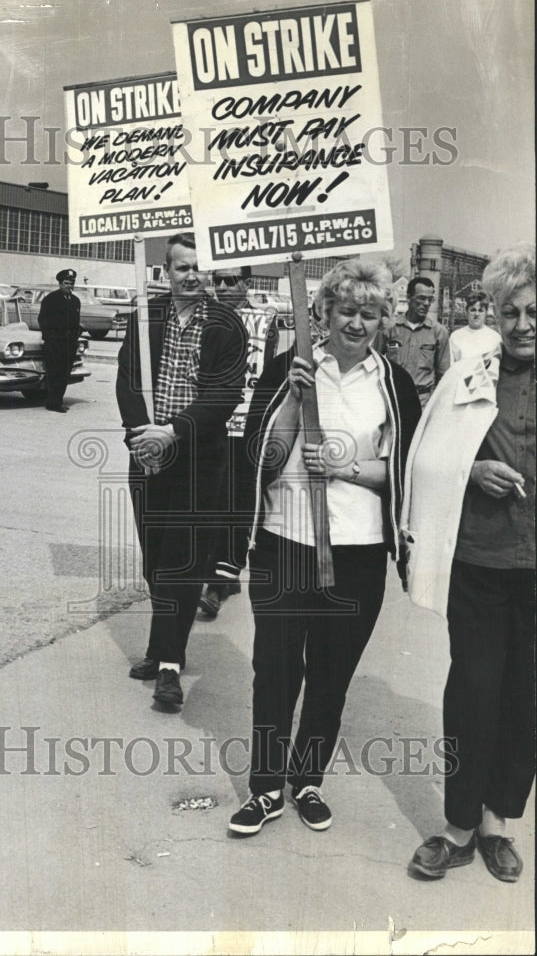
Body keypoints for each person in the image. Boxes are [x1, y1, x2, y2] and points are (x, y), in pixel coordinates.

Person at [228, 258, 420, 836]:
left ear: (384, 319)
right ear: (324, 313)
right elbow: (257, 457)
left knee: (331, 673)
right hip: (286, 540)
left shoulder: (394, 383)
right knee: (275, 668)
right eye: (345, 311)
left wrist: (348, 466)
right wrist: (292, 397)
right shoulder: (291, 366)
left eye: (368, 313)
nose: (356, 323)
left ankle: (306, 780)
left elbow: (408, 473)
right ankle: (265, 789)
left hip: (357, 551)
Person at [404, 244, 535, 883]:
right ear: (495, 315)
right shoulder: (469, 375)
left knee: (527, 696)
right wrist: (472, 469)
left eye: (533, 311)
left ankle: (498, 824)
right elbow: (430, 456)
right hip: (480, 563)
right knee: (474, 690)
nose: (522, 324)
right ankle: (458, 826)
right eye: (509, 312)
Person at [116, 233, 247, 708]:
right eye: (181, 268)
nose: (191, 276)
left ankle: (170, 665)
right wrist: (141, 435)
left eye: (198, 267)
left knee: (184, 564)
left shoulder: (226, 324)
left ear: (208, 272)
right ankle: (159, 646)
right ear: (164, 272)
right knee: (155, 559)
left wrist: (172, 432)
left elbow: (224, 395)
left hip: (197, 457)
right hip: (148, 456)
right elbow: (128, 381)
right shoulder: (144, 318)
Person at [199, 266, 280, 618]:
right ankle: (211, 572)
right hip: (207, 422)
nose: (221, 287)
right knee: (207, 501)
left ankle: (221, 579)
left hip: (245, 422)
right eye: (216, 280)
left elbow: (270, 371)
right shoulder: (202, 315)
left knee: (237, 501)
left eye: (230, 281)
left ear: (247, 283)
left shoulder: (264, 321)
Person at [383, 276, 450, 408]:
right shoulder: (389, 328)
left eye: (430, 299)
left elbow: (444, 375)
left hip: (423, 402)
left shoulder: (439, 332)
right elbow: (373, 363)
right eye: (421, 298)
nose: (426, 303)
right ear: (409, 298)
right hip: (393, 398)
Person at [38, 268, 82, 412]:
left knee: (64, 374)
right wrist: (50, 339)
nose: (69, 286)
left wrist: (76, 335)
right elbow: (43, 320)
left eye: (71, 283)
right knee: (54, 373)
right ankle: (53, 403)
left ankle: (58, 401)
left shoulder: (75, 301)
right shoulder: (50, 299)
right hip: (55, 343)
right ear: (60, 283)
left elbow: (76, 321)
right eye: (66, 283)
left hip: (70, 344)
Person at [448, 291, 501, 362]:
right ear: (467, 311)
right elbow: (451, 365)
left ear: (486, 312)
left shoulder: (495, 338)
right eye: (473, 310)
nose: (476, 314)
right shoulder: (455, 336)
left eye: (480, 310)